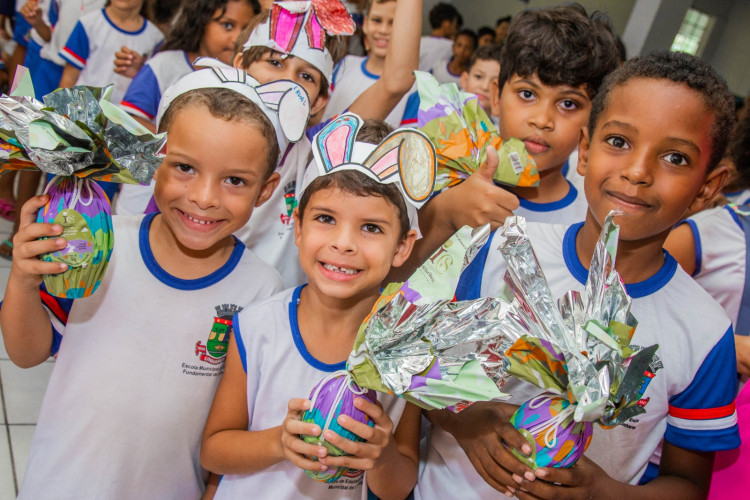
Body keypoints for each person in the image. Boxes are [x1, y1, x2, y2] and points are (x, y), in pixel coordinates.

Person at [418, 50, 740, 499]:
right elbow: (420, 365)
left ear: (708, 186)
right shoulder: (500, 249)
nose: (637, 171)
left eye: (675, 158)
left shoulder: (706, 333)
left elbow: (687, 485)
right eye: (619, 142)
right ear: (585, 151)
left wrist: (605, 493)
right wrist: (464, 418)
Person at [0, 65, 309, 498]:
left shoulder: (263, 292)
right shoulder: (102, 244)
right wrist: (22, 281)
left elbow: (241, 425)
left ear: (266, 189)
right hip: (61, 484)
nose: (204, 197)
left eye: (235, 180)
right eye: (184, 167)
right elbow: (27, 352)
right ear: (152, 161)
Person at [200, 114, 429, 498]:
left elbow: (399, 485)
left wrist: (382, 454)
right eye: (326, 219)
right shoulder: (257, 327)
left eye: (371, 227)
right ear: (299, 227)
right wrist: (279, 443)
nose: (343, 243)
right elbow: (214, 450)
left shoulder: (406, 352)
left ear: (403, 246)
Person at [397, 5, 618, 282]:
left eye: (568, 103)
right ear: (497, 98)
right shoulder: (443, 179)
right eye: (527, 93)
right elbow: (390, 279)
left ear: (593, 121)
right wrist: (446, 214)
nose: (542, 119)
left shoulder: (592, 223)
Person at [229, 0, 421, 287]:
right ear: (240, 66)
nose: (287, 81)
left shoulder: (317, 149)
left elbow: (395, 81)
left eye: (305, 76)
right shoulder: (205, 137)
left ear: (319, 100)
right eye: (275, 62)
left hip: (279, 314)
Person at [116, 0, 256, 216]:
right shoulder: (164, 65)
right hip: (142, 196)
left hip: (202, 204)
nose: (237, 37)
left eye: (245, 30)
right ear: (200, 23)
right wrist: (185, 146)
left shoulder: (244, 84)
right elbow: (128, 121)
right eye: (227, 25)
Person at [322, 0, 419, 129]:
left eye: (394, 23)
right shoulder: (345, 65)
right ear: (366, 23)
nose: (383, 30)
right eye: (377, 20)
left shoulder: (414, 89)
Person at [58, 0, 163, 105]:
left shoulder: (155, 38)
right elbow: (69, 78)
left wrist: (141, 70)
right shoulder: (88, 23)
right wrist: (61, 111)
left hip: (123, 116)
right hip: (81, 110)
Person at [459, 42, 501, 117]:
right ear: (464, 80)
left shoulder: (500, 128)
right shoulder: (440, 115)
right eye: (478, 76)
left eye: (495, 82)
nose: (484, 87)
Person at [418, 1, 460, 72]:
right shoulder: (452, 47)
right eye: (454, 24)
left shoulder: (418, 42)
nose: (455, 29)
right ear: (446, 23)